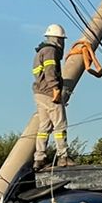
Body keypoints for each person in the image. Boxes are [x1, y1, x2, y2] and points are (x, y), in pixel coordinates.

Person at [32, 23, 70, 171]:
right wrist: (55, 88)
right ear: (58, 39)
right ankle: (63, 157)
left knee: (44, 127)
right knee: (60, 126)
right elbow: (50, 70)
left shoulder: (40, 51)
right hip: (49, 92)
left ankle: (39, 159)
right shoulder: (50, 51)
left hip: (39, 93)